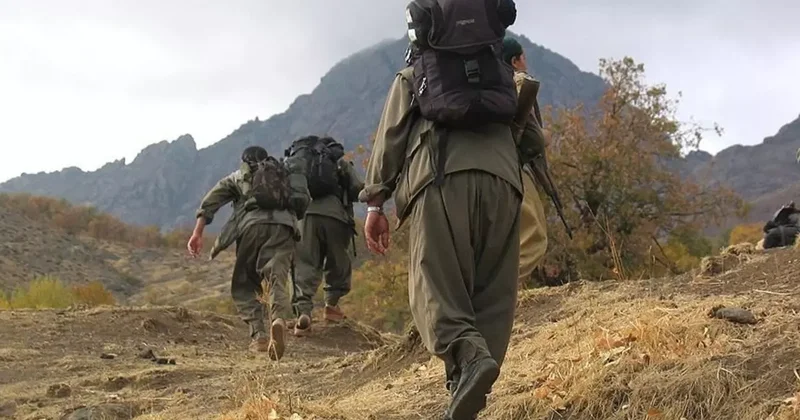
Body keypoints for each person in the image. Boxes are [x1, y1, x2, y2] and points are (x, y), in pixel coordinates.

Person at [361, 1, 520, 417]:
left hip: (442, 178)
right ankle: (466, 385)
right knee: (493, 293)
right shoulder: (501, 71)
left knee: (433, 285)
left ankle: (468, 358)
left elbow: (391, 138)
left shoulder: (417, 74)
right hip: (505, 184)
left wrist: (375, 202)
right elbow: (531, 136)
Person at [187, 146, 309, 360]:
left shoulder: (239, 176)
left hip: (251, 228)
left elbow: (210, 202)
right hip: (284, 227)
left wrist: (197, 232)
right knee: (276, 277)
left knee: (245, 283)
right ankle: (278, 319)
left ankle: (259, 335)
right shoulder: (284, 174)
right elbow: (303, 201)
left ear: (244, 161)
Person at [290, 136, 364, 336]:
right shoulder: (338, 161)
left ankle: (303, 313)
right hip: (335, 216)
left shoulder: (302, 164)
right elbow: (357, 189)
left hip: (305, 217)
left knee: (305, 263)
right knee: (337, 260)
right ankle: (331, 306)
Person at [502, 37, 550, 284]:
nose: (525, 62)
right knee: (534, 237)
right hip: (511, 167)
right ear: (515, 61)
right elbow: (531, 138)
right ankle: (501, 293)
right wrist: (544, 136)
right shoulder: (518, 82)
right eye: (523, 57)